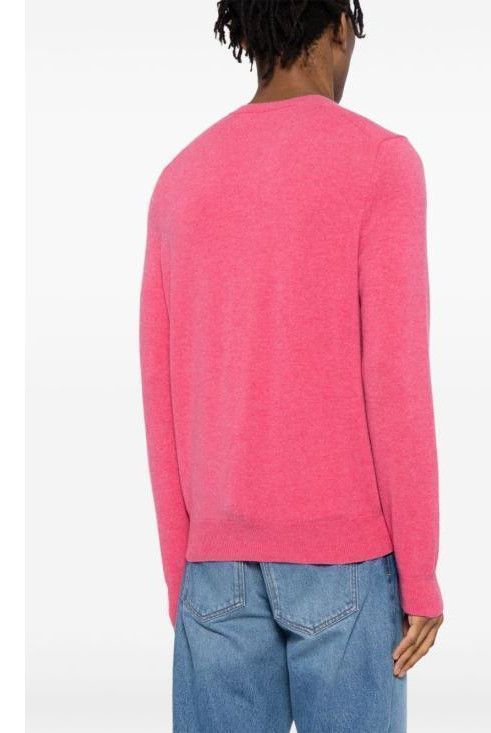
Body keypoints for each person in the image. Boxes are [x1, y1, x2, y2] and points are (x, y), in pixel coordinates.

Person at [139, 1, 443, 730]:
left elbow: (159, 390)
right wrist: (421, 572)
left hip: (213, 569)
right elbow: (396, 380)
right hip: (345, 562)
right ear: (339, 26)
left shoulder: (179, 181)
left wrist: (183, 571)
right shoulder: (381, 162)